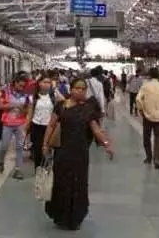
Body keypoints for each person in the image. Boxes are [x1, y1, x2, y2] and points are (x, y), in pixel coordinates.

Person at [42, 77, 114, 231]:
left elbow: (95, 129)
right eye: (77, 88)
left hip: (80, 152)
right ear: (71, 89)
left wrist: (106, 144)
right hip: (62, 151)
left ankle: (75, 218)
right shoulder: (61, 106)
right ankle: (60, 215)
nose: (80, 91)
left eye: (83, 89)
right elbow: (51, 125)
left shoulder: (88, 109)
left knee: (78, 183)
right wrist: (45, 144)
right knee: (61, 182)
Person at [135, 67, 159, 169]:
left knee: (146, 137)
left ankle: (149, 157)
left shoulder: (145, 86)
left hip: (147, 116)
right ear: (158, 75)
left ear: (149, 75)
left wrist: (141, 109)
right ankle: (157, 160)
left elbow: (138, 99)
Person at [0, 72, 31, 179]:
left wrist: (24, 111)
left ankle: (18, 170)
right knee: (4, 146)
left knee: (19, 147)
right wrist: (14, 105)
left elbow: (28, 109)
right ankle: (1, 161)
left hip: (20, 123)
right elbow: (0, 106)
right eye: (20, 85)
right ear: (15, 83)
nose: (21, 87)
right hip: (7, 123)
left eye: (23, 86)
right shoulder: (6, 92)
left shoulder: (26, 96)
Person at [27, 75, 62, 169]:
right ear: (39, 83)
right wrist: (25, 130)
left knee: (48, 150)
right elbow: (29, 115)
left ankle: (47, 171)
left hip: (50, 127)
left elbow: (64, 101)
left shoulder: (53, 96)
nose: (47, 85)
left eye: (49, 83)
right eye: (44, 82)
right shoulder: (33, 98)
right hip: (37, 127)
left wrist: (55, 90)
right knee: (38, 152)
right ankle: (38, 172)